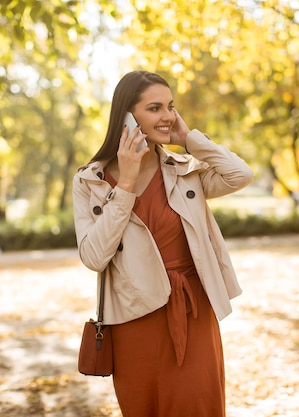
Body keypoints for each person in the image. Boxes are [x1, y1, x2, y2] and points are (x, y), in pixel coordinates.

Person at [72, 70, 253, 417]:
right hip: (132, 315)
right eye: (155, 108)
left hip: (193, 309)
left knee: (199, 405)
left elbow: (240, 175)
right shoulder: (90, 181)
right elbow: (94, 257)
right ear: (127, 115)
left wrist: (190, 139)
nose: (168, 116)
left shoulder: (184, 169)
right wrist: (124, 184)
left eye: (170, 107)